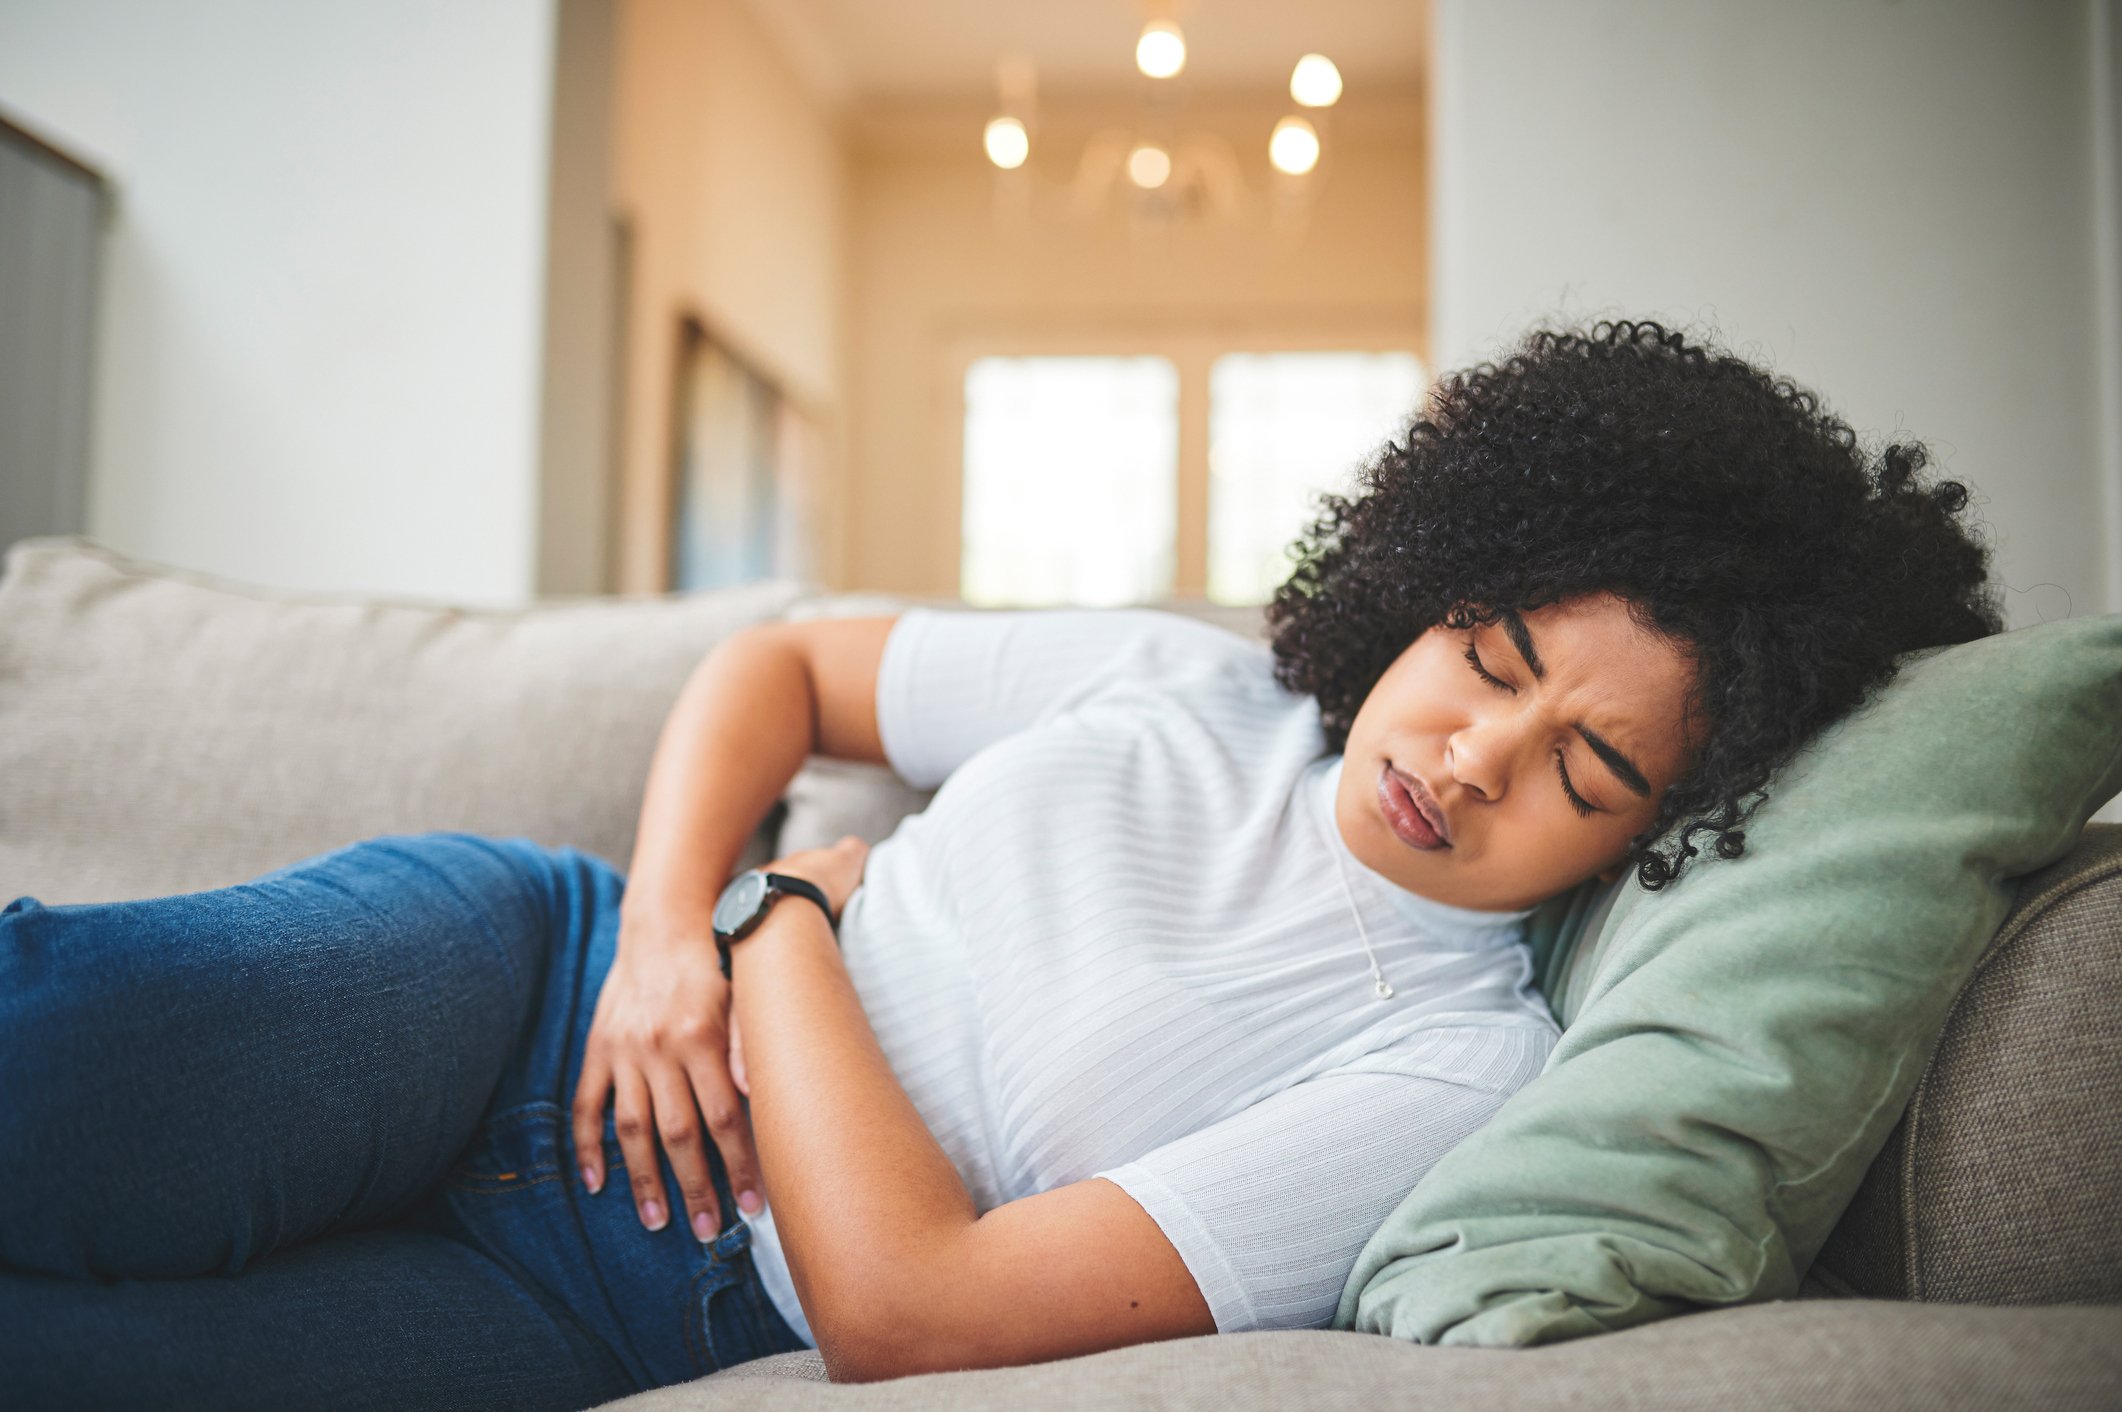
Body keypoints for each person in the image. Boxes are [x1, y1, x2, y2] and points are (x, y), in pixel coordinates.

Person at [1, 320, 1999, 1408]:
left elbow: (897, 1305)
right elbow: (777, 668)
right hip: (513, 993)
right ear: (1419, 591)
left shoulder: (1457, 1071)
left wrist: (777, 919)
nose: (1467, 759)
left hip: (632, 1308)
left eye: (1582, 765)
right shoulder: (1180, 686)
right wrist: (658, 929)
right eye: (1483, 655)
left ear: (1672, 823)